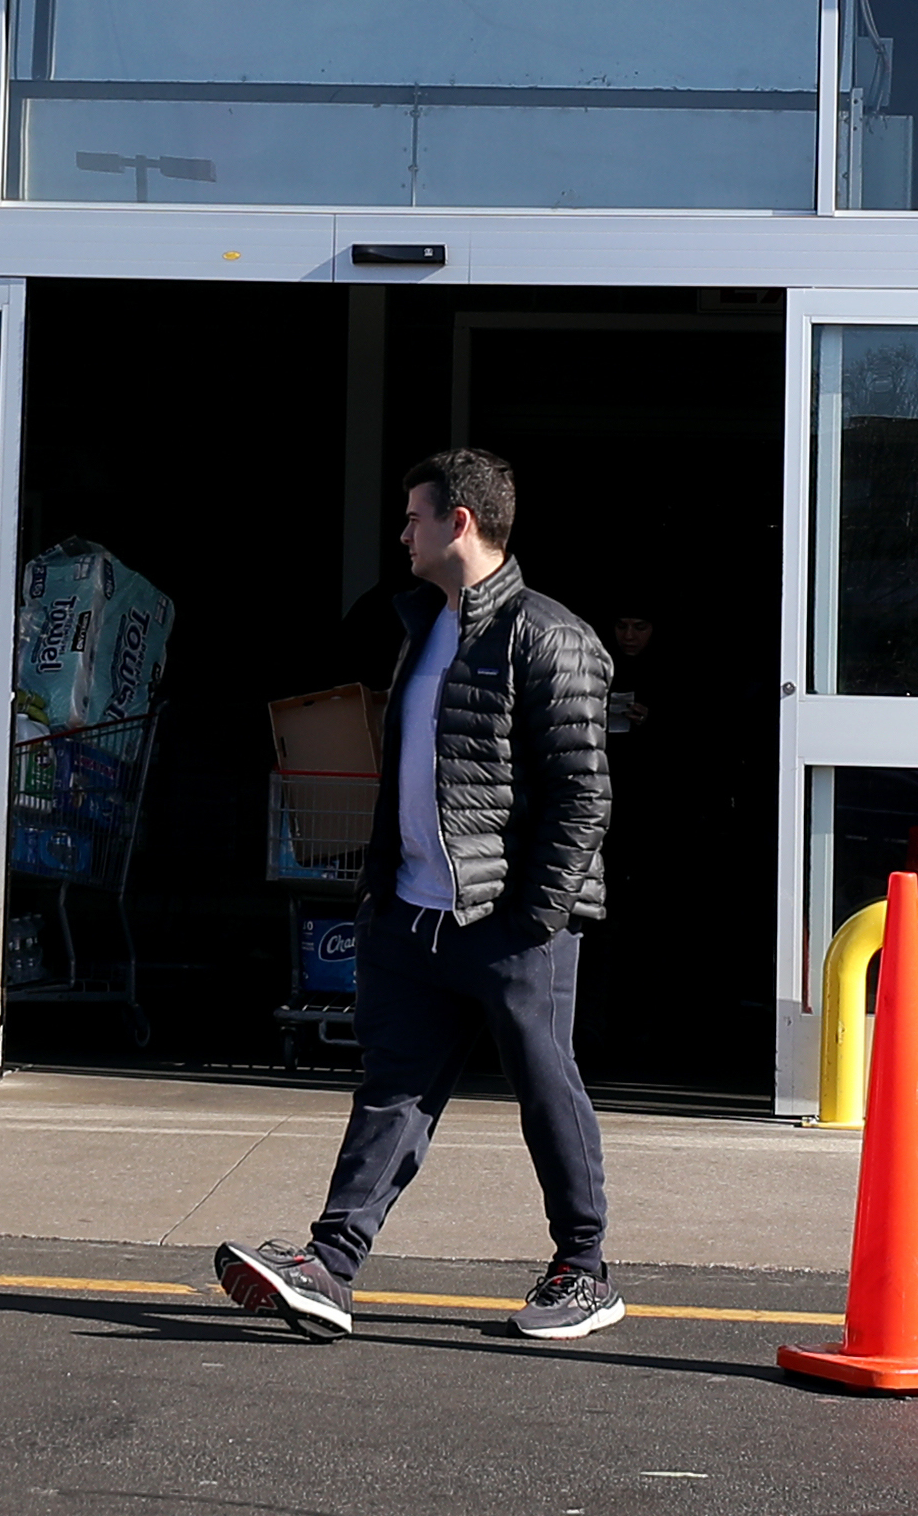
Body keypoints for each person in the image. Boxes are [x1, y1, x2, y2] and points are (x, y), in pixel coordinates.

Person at [216, 448, 622, 1347]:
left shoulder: (548, 634)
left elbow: (581, 792)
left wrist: (534, 914)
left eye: (412, 516)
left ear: (460, 522)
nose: (401, 532)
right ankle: (330, 1265)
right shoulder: (424, 626)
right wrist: (384, 897)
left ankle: (583, 1269)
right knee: (392, 1090)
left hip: (507, 920)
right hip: (410, 914)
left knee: (544, 1086)